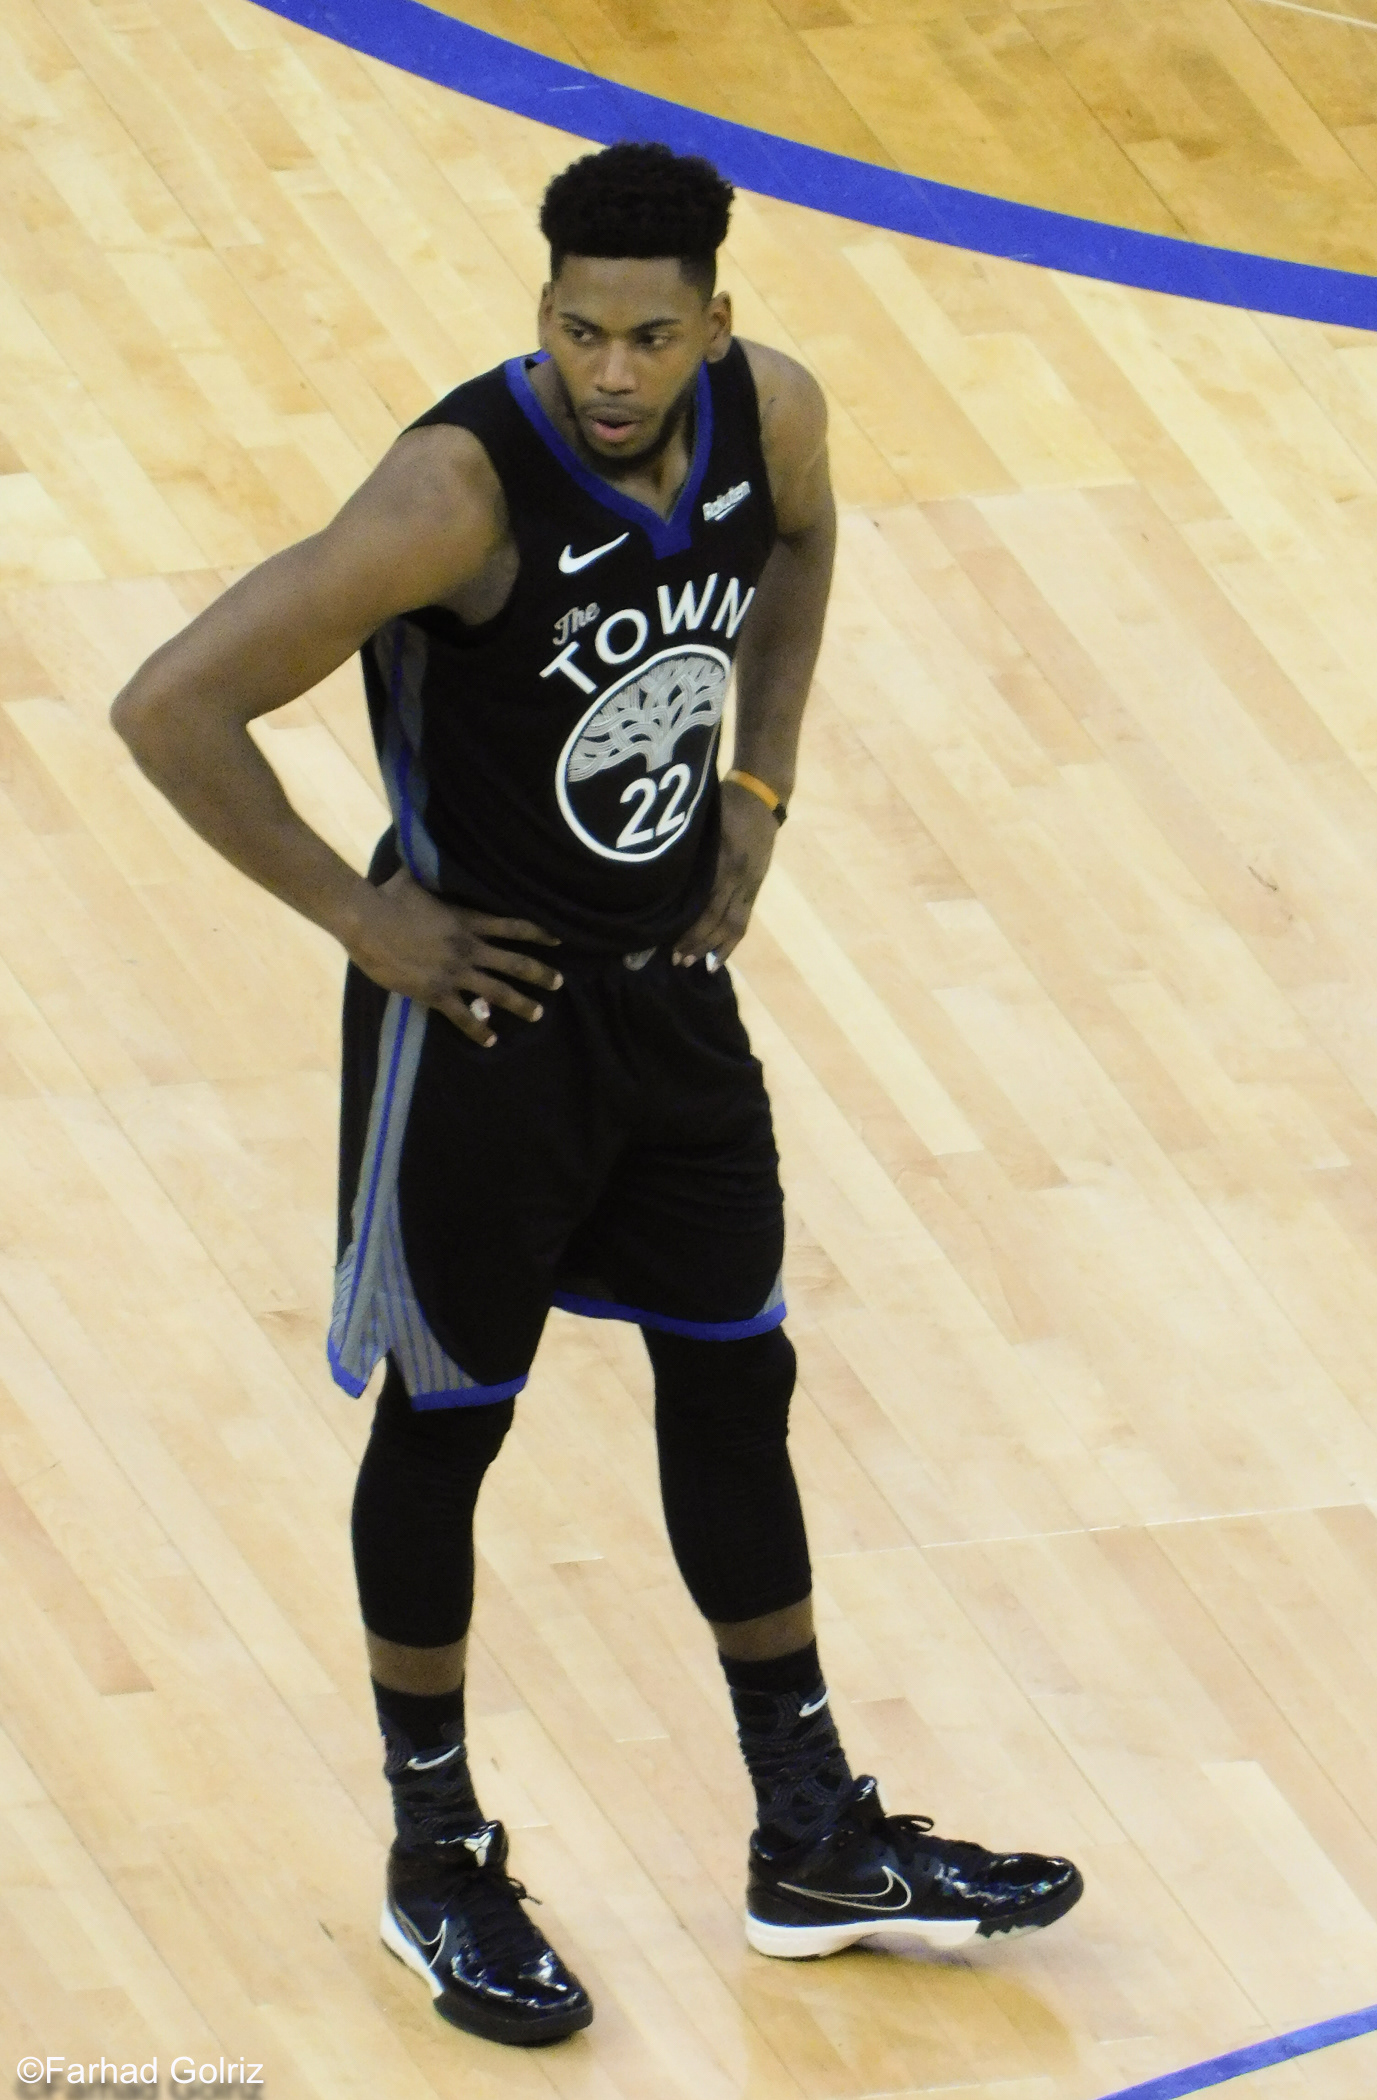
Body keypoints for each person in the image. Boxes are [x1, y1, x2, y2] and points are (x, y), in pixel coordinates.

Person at [112, 142, 1082, 2050]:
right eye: (577, 332)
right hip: (486, 1024)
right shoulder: (455, 492)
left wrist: (761, 784)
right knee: (449, 1428)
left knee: (737, 1381)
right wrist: (359, 916)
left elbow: (801, 548)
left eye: (647, 335)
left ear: (714, 322)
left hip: (668, 1006)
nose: (611, 372)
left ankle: (809, 1837)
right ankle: (436, 1856)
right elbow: (169, 705)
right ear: (540, 315)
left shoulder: (767, 413)